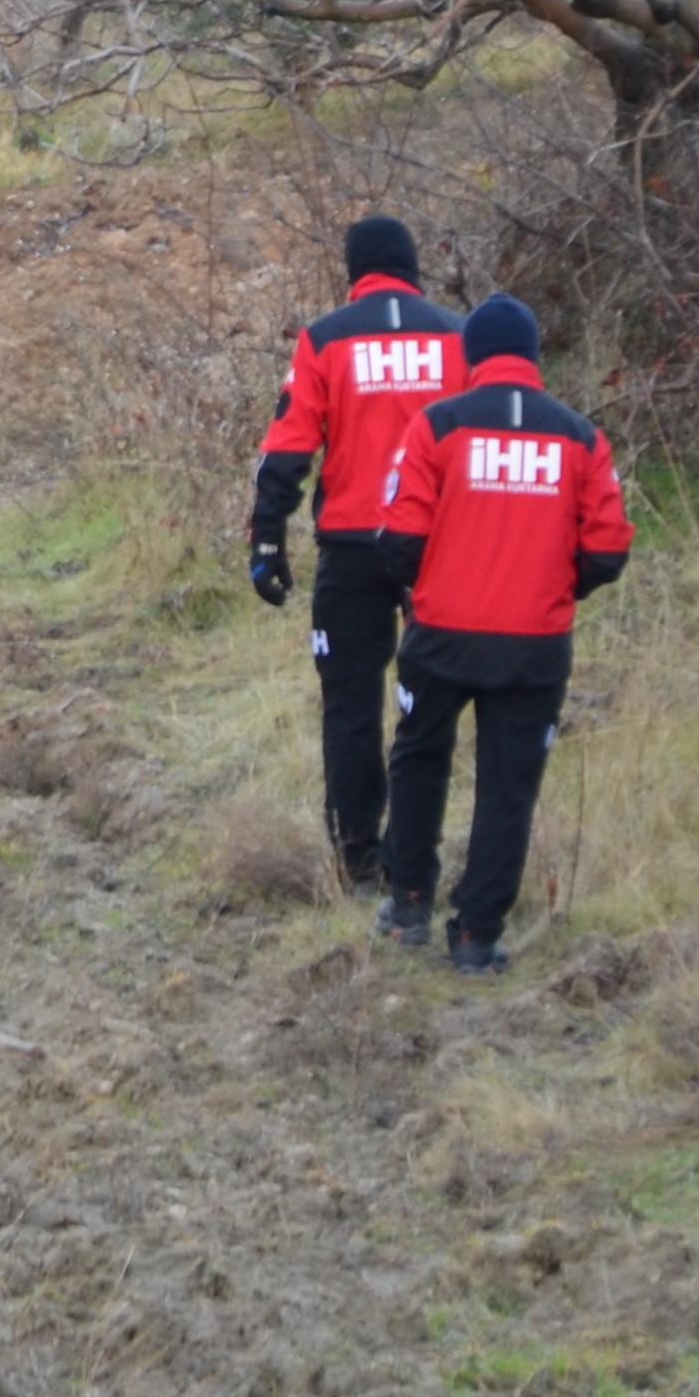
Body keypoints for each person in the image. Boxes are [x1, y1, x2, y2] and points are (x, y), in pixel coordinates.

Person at [367, 293, 632, 975]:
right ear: (534, 358)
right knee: (508, 786)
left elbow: (397, 541)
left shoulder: (437, 426)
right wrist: (549, 586)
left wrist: (426, 587)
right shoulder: (581, 438)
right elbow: (607, 553)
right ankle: (476, 937)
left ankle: (408, 904)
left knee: (420, 759)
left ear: (471, 357)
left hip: (443, 635)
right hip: (535, 646)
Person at [247, 215, 467, 892]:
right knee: (427, 703)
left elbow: (287, 445)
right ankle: (414, 857)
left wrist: (266, 535)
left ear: (354, 271)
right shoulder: (459, 338)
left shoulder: (327, 338)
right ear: (412, 266)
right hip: (436, 546)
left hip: (351, 545)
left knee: (350, 705)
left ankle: (358, 858)